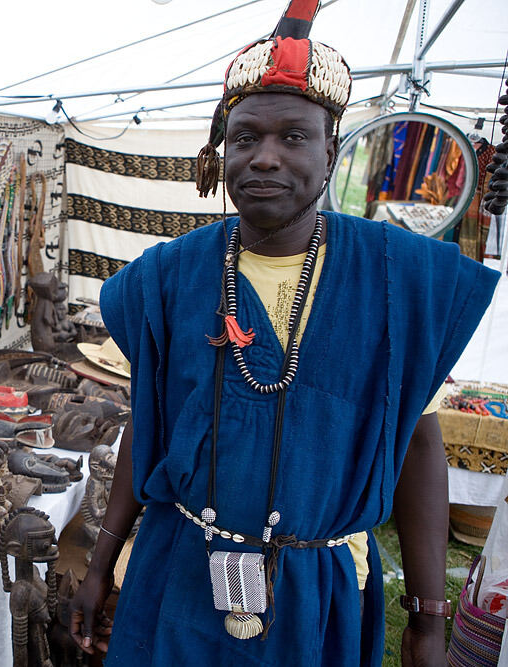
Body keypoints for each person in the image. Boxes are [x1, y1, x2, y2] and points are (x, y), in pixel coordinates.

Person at [69, 2, 500, 665]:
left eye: (292, 137)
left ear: (331, 150)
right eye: (245, 138)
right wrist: (100, 562)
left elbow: (418, 445)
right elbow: (146, 421)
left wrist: (428, 618)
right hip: (178, 570)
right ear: (221, 152)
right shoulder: (167, 277)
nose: (264, 158)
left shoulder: (396, 279)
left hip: (315, 589)